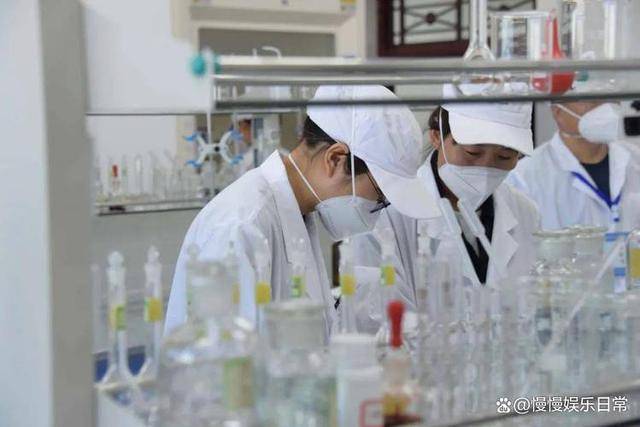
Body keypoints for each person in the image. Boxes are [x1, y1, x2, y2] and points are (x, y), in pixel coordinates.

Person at [165, 85, 440, 336]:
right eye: (379, 196)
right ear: (335, 159)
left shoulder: (298, 212)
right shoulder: (243, 224)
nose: (377, 209)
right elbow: (222, 359)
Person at [350, 84, 540, 328]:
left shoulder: (525, 212)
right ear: (436, 136)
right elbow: (374, 320)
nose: (485, 167)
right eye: (473, 152)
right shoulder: (388, 214)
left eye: (505, 156)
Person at [508, 101, 640, 231]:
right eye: (592, 100)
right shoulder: (523, 178)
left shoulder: (635, 159)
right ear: (558, 111)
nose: (606, 108)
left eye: (609, 99)